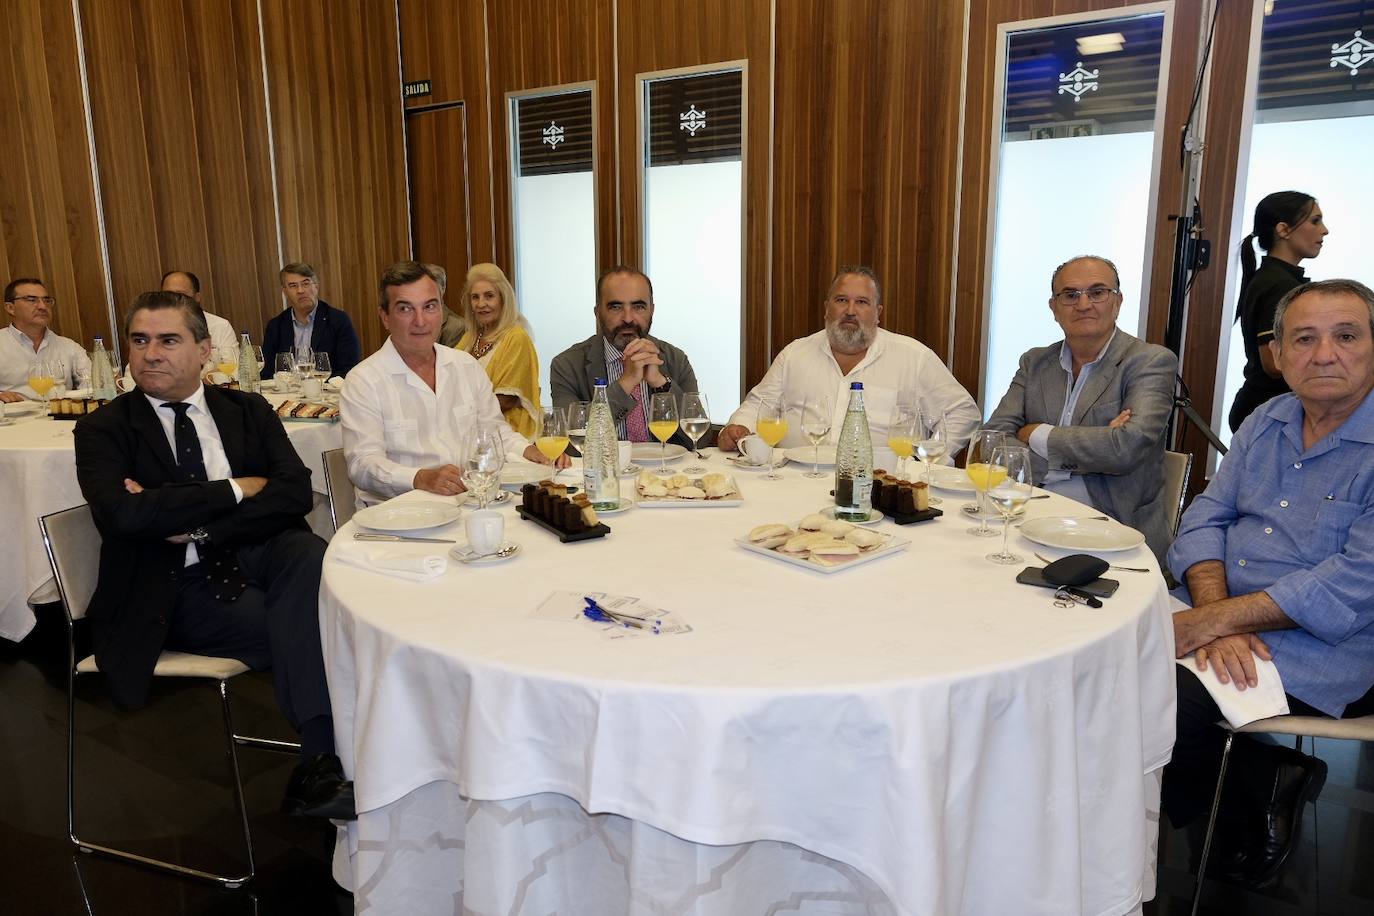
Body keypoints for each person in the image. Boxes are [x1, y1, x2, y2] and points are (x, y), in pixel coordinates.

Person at [73, 290, 353, 820]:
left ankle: (327, 760)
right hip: (172, 587)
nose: (150, 353)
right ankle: (326, 759)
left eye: (168, 340)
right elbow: (125, 517)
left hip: (253, 553)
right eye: (139, 340)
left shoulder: (245, 408)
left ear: (204, 350)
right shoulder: (102, 429)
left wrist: (195, 523)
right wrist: (236, 489)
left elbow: (293, 492)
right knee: (319, 624)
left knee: (307, 552)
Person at [1164, 278, 1374, 887]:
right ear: (1276, 356)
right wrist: (1213, 609)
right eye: (1303, 339)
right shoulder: (1267, 418)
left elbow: (1352, 586)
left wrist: (1214, 621)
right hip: (1223, 611)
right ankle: (1257, 778)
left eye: (1345, 335)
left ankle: (1231, 802)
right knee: (1090, 663)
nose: (1324, 354)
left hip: (1328, 645)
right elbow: (1205, 517)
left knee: (1156, 706)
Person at [983, 255, 1177, 564]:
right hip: (1028, 518)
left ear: (1117, 301)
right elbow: (991, 442)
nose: (1084, 304)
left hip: (1114, 533)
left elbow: (1126, 449)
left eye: (1097, 292)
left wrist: (1037, 434)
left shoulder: (1150, 362)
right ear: (1054, 308)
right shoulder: (1034, 363)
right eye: (1070, 295)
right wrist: (1094, 447)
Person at [341, 261, 567, 505]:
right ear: (385, 317)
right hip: (400, 516)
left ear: (441, 311)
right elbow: (362, 464)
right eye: (405, 309)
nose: (420, 321)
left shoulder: (466, 367)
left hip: (470, 502)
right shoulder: (363, 382)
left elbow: (495, 432)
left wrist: (530, 451)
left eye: (429, 307)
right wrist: (419, 478)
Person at [718, 265, 979, 456]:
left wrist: (932, 459)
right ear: (826, 308)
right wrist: (738, 427)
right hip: (793, 481)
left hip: (879, 489)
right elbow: (758, 406)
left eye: (862, 302)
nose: (850, 311)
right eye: (841, 300)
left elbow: (961, 412)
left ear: (877, 314)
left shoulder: (914, 358)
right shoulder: (794, 355)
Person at [549, 266, 700, 446]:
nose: (628, 318)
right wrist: (626, 383)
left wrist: (661, 383)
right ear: (598, 313)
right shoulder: (567, 365)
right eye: (615, 307)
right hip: (605, 471)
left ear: (651, 310)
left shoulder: (675, 359)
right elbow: (570, 445)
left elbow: (700, 439)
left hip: (664, 470)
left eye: (638, 307)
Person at [1227, 192, 1328, 432]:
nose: (1324, 230)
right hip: (1268, 410)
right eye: (1315, 221)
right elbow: (1273, 363)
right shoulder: (1280, 285)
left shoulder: (1275, 278)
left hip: (1263, 406)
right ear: (1283, 230)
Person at [455, 263, 541, 437]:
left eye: (489, 296)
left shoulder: (516, 337)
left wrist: (458, 411)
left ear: (503, 298)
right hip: (469, 432)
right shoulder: (469, 338)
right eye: (475, 297)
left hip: (507, 435)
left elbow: (507, 399)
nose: (481, 304)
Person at [260, 262, 361, 379]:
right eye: (293, 285)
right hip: (288, 394)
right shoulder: (275, 326)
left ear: (316, 286)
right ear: (285, 291)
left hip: (327, 393)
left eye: (305, 283)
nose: (300, 290)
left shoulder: (338, 321)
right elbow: (267, 372)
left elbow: (350, 369)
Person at [1, 277, 92, 402]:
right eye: (32, 300)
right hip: (14, 419)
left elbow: (92, 384)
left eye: (47, 300)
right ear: (10, 307)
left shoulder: (69, 347)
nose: (43, 306)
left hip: (61, 418)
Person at [161, 270, 238, 369]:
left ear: (197, 298)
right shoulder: (151, 328)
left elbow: (234, 370)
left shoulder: (219, 326)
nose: (173, 300)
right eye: (167, 294)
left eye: (180, 294)